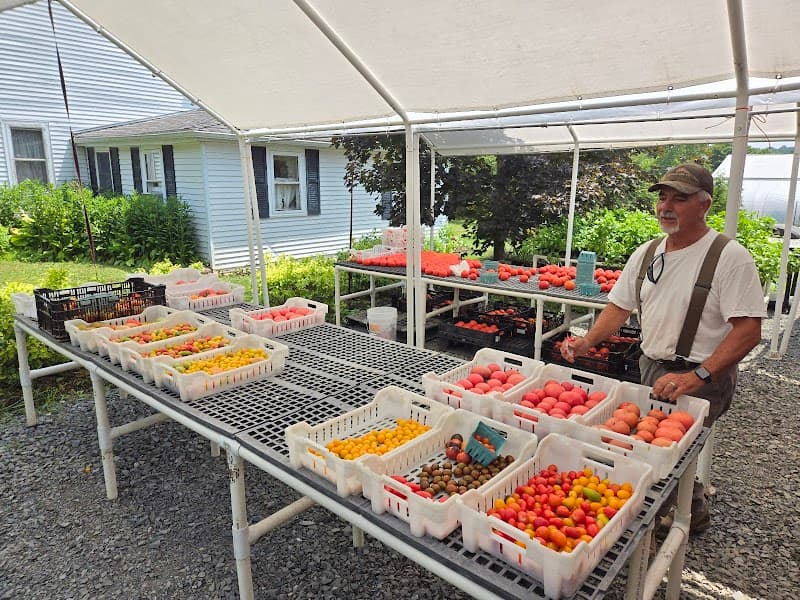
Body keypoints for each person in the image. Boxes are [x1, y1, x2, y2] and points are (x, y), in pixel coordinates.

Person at [561, 162, 765, 533]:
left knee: (663, 458)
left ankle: (649, 527)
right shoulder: (647, 252)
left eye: (680, 198)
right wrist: (587, 341)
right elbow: (619, 308)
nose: (666, 206)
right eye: (663, 197)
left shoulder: (728, 257)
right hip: (651, 366)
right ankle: (694, 503)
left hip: (703, 375)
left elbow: (749, 330)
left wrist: (699, 375)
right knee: (661, 446)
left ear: (705, 204)